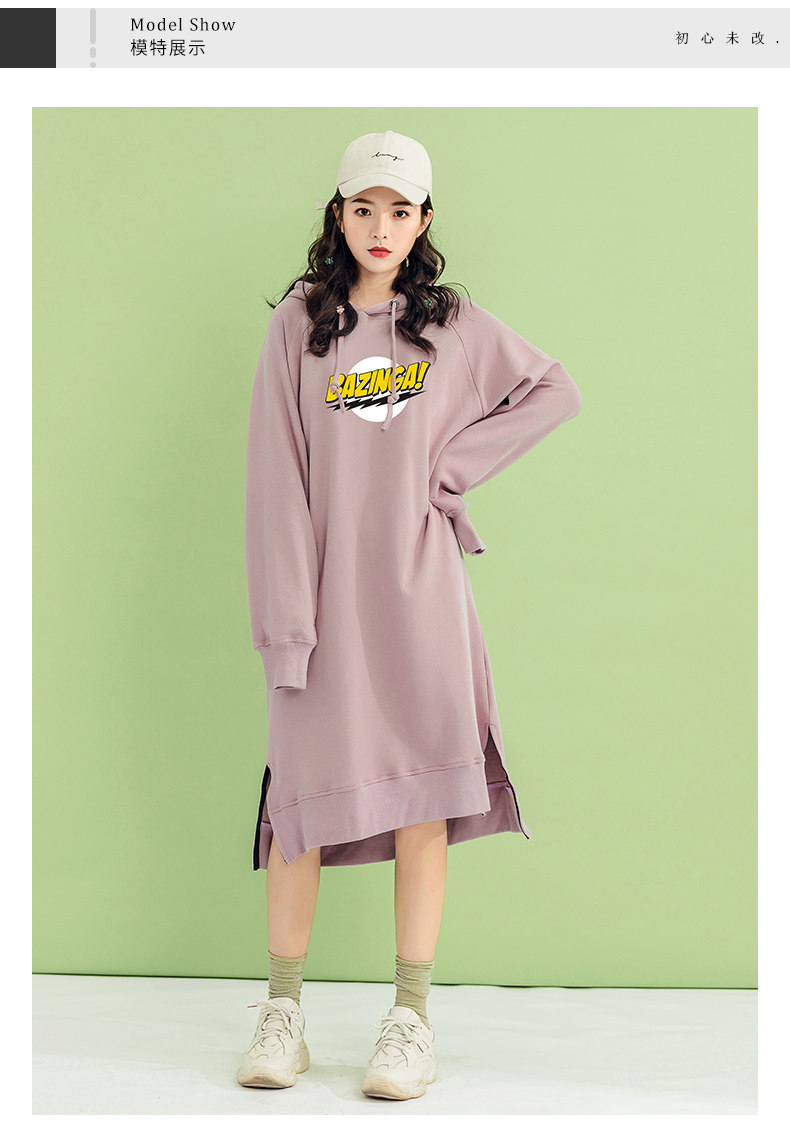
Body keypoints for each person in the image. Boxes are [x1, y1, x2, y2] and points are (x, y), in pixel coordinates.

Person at [238, 130, 582, 1100]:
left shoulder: (452, 325)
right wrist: (285, 625)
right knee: (297, 808)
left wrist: (452, 468)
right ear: (338, 215)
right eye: (364, 208)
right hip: (321, 603)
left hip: (423, 598)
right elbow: (275, 481)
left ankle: (409, 1019)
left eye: (400, 210)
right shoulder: (299, 325)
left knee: (427, 799)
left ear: (424, 221)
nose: (380, 228)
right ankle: (282, 1013)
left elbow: (554, 390)